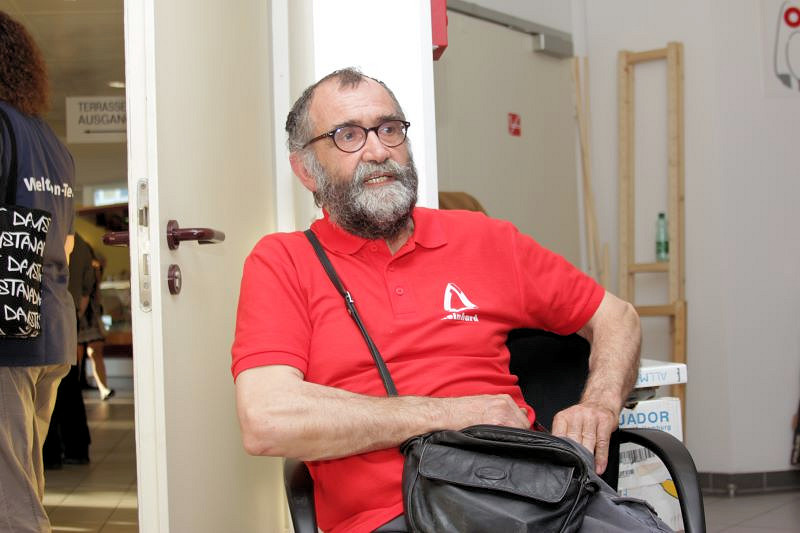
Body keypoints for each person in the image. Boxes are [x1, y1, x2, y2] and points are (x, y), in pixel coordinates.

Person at [232, 68, 642, 533]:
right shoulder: (282, 261)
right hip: (398, 515)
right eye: (348, 135)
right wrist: (455, 414)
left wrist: (599, 404)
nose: (378, 150)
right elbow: (266, 419)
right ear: (306, 170)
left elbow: (618, 316)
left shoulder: (484, 238)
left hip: (535, 499)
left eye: (389, 129)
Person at [0, 11, 77, 533]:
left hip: (8, 334)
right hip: (50, 326)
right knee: (24, 480)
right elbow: (62, 241)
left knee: (10, 503)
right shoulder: (51, 143)